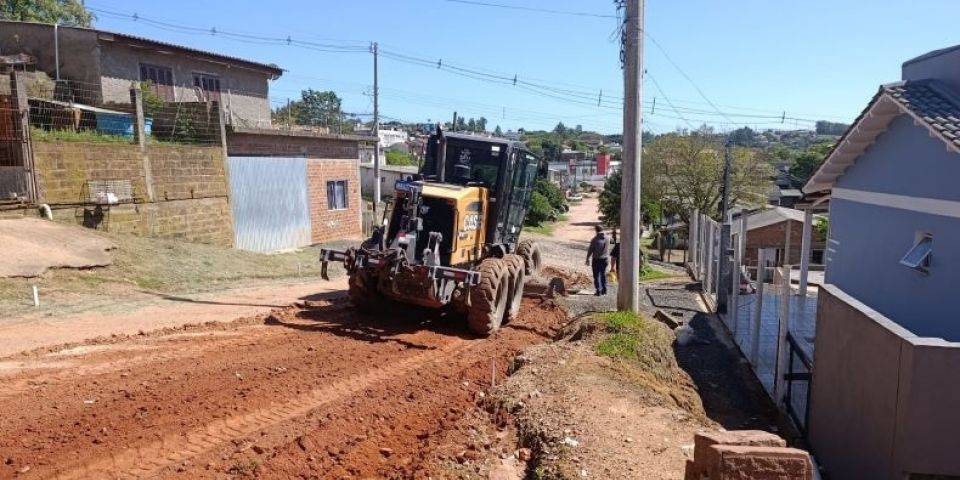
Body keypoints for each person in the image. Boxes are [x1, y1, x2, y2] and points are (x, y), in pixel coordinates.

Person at [586, 225, 609, 296]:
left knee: (596, 275)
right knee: (603, 274)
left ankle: (598, 290)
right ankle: (604, 290)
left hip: (597, 259)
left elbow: (590, 250)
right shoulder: (607, 238)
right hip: (605, 259)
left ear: (596, 230)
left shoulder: (595, 239)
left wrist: (587, 258)